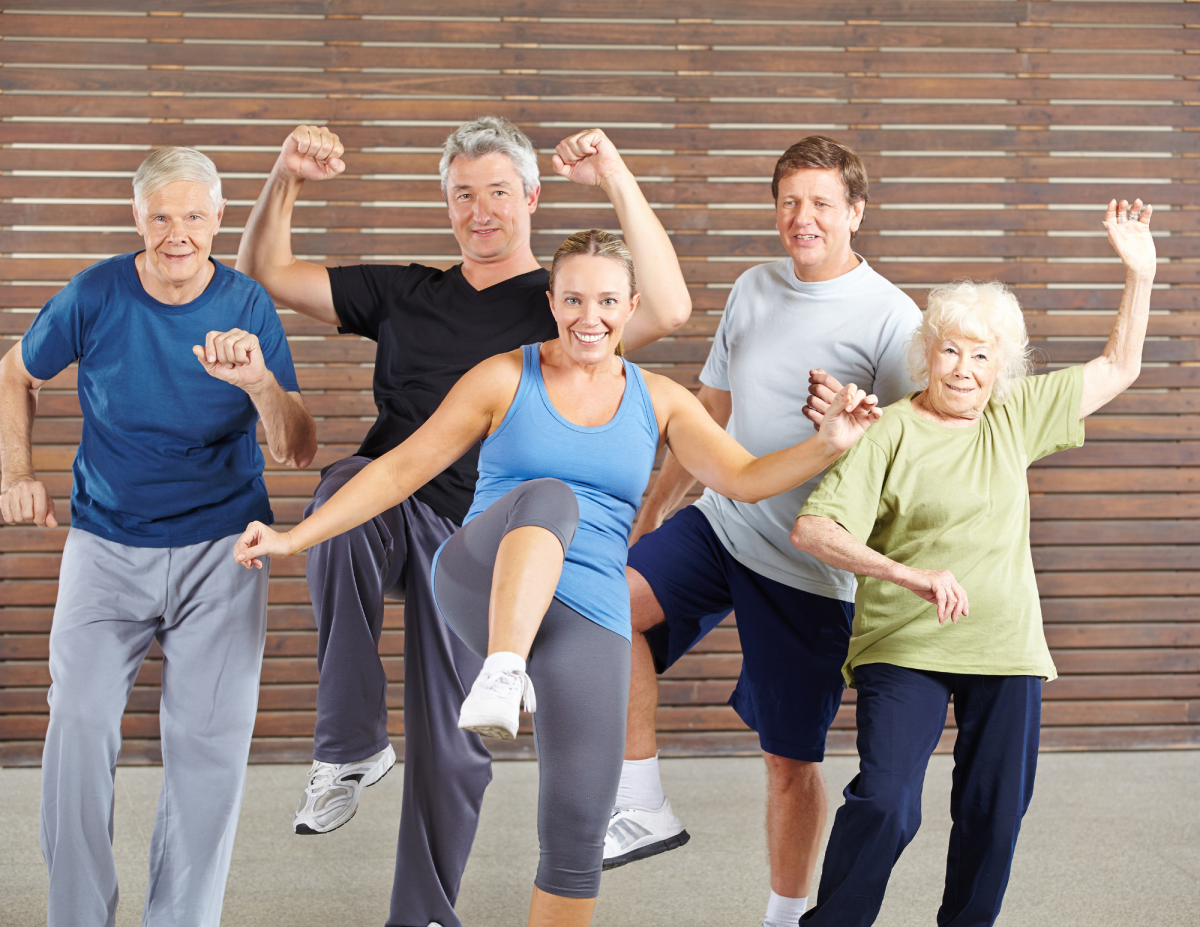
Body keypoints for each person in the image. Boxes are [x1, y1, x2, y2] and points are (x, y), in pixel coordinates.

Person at [233, 228, 880, 927]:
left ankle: (515, 679)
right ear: (551, 302)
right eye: (573, 299)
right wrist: (294, 537)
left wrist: (828, 443)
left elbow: (745, 478)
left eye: (606, 301)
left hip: (586, 612)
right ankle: (504, 669)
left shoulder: (660, 400)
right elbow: (397, 471)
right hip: (480, 581)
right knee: (551, 496)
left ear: (631, 306)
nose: (588, 316)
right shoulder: (503, 377)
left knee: (577, 832)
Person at [236, 117, 690, 927]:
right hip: (389, 510)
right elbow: (266, 271)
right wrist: (287, 175)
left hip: (489, 545)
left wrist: (617, 176)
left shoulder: (564, 308)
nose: (481, 211)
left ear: (532, 198)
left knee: (451, 748)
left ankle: (421, 916)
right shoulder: (404, 292)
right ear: (446, 205)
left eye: (499, 193)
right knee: (342, 489)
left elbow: (671, 305)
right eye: (463, 195)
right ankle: (350, 742)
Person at [789, 199, 1156, 926]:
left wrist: (1139, 273)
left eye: (982, 355)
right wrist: (910, 576)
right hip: (906, 644)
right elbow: (814, 529)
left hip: (1004, 646)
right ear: (928, 353)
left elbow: (1120, 366)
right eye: (951, 350)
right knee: (888, 801)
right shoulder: (889, 429)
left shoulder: (1013, 415)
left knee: (995, 810)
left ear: (1002, 366)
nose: (964, 368)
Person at [605, 136, 922, 927]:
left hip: (810, 565)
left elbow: (917, 457)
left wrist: (848, 428)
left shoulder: (892, 318)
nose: (802, 217)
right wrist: (655, 509)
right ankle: (641, 800)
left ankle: (783, 916)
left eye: (821, 203)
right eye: (789, 202)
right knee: (606, 605)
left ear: (855, 212)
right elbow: (710, 411)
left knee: (788, 761)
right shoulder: (754, 286)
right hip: (723, 521)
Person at [0, 148, 316, 927]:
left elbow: (297, 447)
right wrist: (18, 472)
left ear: (219, 218)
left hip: (223, 547)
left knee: (208, 750)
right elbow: (14, 373)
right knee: (78, 720)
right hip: (106, 542)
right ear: (137, 217)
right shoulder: (95, 293)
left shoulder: (247, 305)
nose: (178, 234)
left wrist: (259, 383)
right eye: (162, 216)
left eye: (195, 216)